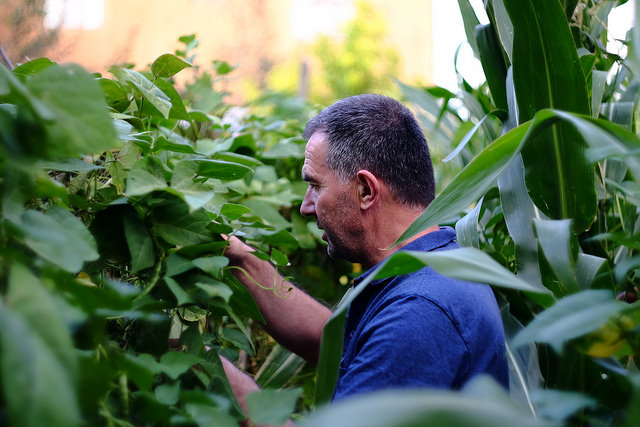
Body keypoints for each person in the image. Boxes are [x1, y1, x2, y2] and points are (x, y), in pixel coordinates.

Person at [221, 94, 508, 423]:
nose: (306, 206)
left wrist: (210, 372)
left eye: (315, 186)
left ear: (366, 191)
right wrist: (241, 259)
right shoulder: (437, 268)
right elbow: (336, 344)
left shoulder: (420, 312)